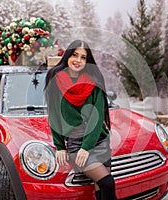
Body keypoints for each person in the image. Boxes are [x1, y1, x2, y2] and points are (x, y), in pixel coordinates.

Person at [45, 40, 117, 200]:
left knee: (101, 187)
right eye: (75, 55)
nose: (78, 60)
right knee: (107, 183)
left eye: (83, 57)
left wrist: (87, 147)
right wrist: (60, 146)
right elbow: (54, 115)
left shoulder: (94, 81)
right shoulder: (55, 81)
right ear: (68, 56)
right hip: (76, 143)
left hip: (99, 140)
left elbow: (96, 118)